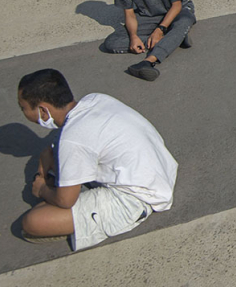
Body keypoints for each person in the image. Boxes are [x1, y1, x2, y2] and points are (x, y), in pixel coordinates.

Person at [15, 69, 178, 248]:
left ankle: (83, 221)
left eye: (23, 108)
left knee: (33, 222)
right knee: (50, 154)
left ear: (43, 111)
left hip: (137, 197)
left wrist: (43, 189)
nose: (23, 112)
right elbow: (54, 152)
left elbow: (65, 201)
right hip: (158, 171)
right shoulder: (95, 99)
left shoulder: (72, 138)